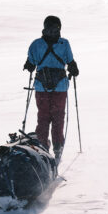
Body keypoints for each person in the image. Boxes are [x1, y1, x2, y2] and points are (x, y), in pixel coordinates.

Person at [23, 16, 78, 163]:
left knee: (43, 117)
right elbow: (70, 62)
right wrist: (73, 68)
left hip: (42, 87)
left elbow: (31, 63)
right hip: (60, 87)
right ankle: (58, 149)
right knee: (58, 117)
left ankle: (42, 147)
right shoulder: (64, 43)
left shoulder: (36, 44)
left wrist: (29, 65)